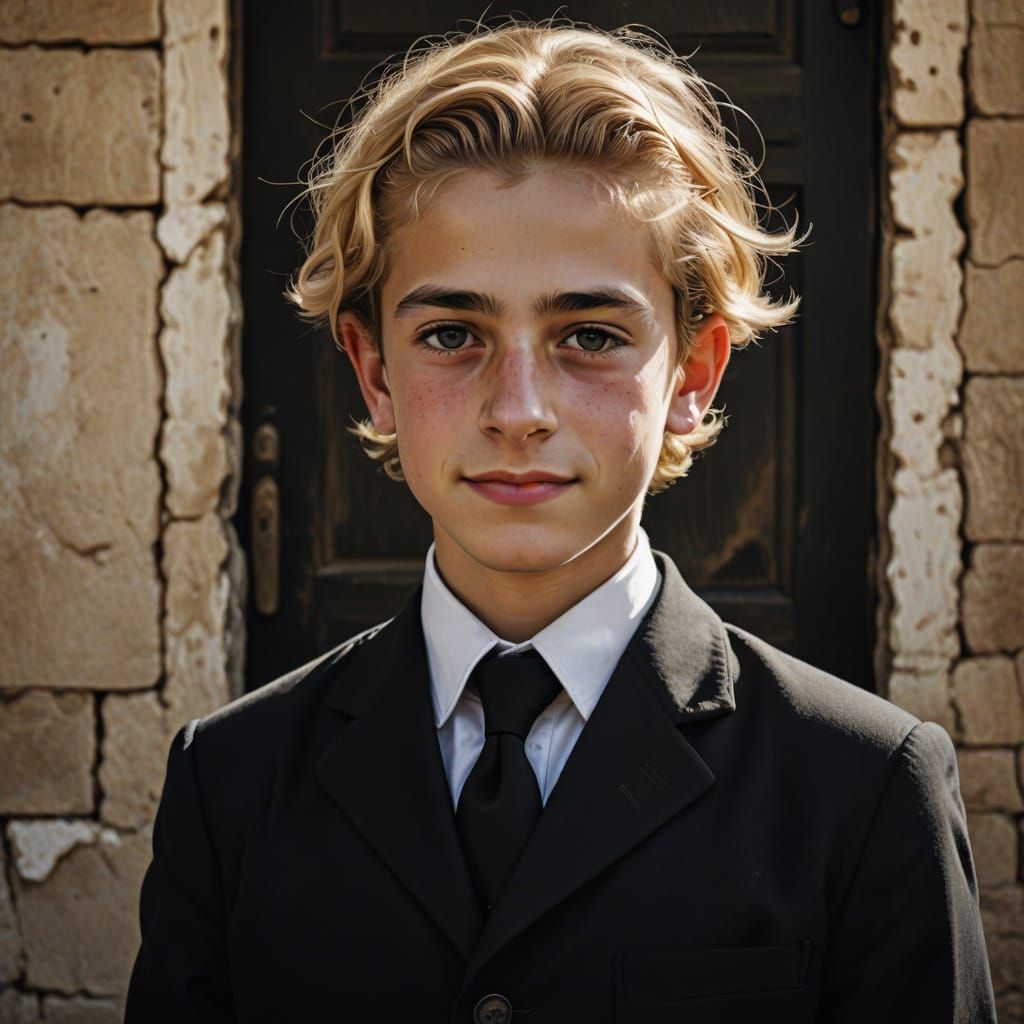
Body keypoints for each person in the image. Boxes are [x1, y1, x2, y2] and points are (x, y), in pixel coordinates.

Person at [126, 18, 996, 1023]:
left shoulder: (866, 788)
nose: (518, 409)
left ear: (694, 374)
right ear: (374, 373)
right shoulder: (228, 781)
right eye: (450, 333)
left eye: (588, 335)